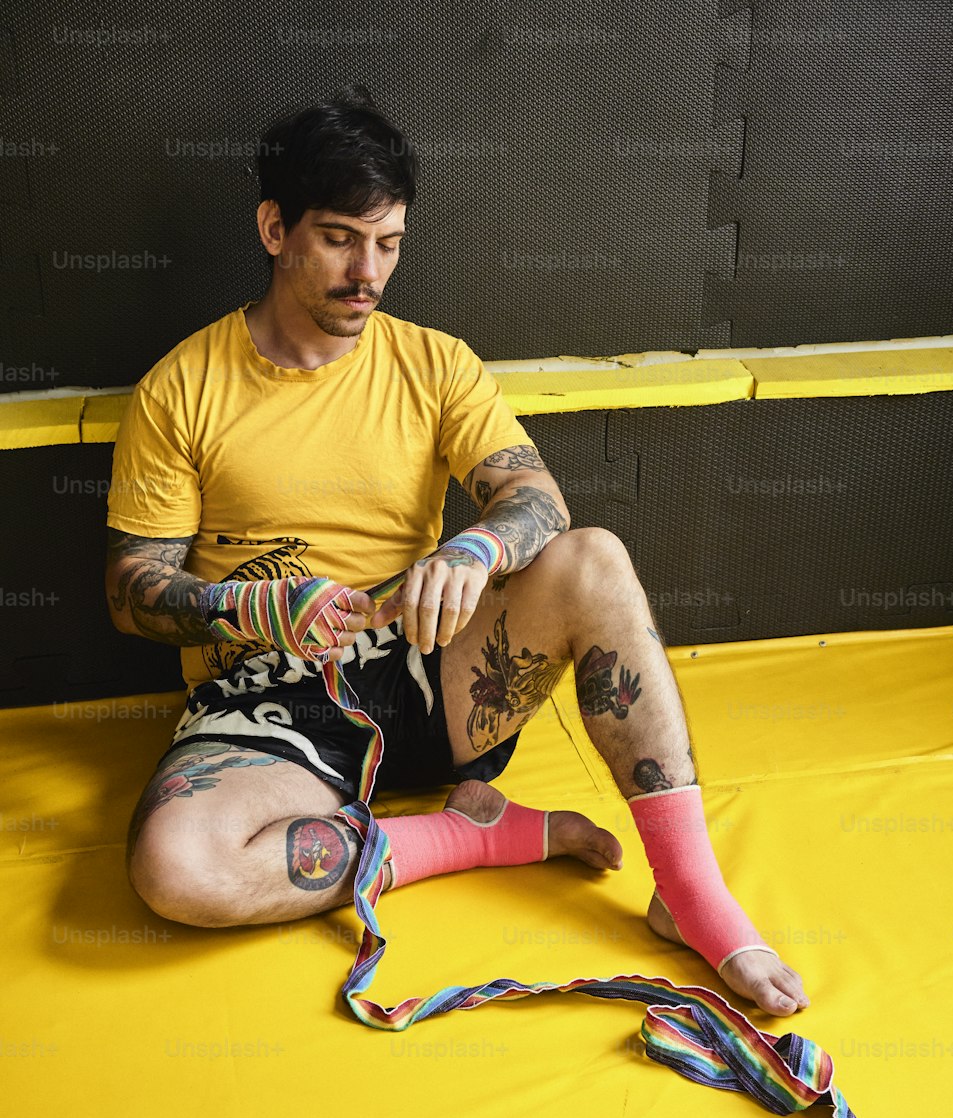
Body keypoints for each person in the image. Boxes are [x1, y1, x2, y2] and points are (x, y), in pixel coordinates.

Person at [105, 85, 808, 1019]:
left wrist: (476, 547)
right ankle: (464, 837)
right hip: (269, 704)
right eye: (341, 238)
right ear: (274, 228)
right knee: (174, 867)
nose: (369, 272)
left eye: (389, 242)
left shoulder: (434, 362)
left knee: (593, 556)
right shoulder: (180, 388)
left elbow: (536, 500)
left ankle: (689, 892)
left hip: (431, 672)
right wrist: (249, 605)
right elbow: (130, 588)